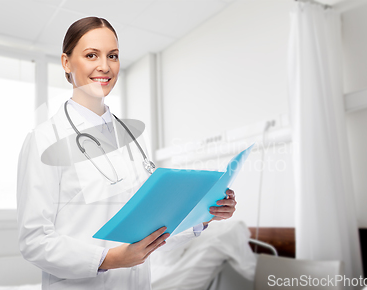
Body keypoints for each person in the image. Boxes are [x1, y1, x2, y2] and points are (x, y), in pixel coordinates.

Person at [16, 16, 237, 290]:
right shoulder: (44, 139)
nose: (105, 66)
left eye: (113, 55)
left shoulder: (130, 139)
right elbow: (34, 240)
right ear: (66, 62)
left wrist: (205, 215)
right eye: (91, 55)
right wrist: (108, 259)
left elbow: (154, 227)